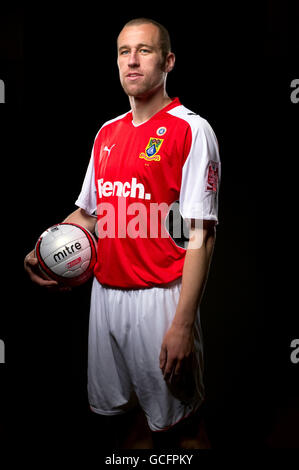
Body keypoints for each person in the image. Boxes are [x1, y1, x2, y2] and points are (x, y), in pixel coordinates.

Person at [24, 18, 221, 448]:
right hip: (106, 297)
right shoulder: (106, 134)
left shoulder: (191, 129)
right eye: (123, 51)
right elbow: (90, 215)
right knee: (127, 425)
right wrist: (42, 248)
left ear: (167, 61)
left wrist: (183, 324)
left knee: (184, 427)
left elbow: (201, 235)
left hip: (161, 300)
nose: (131, 61)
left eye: (144, 51)